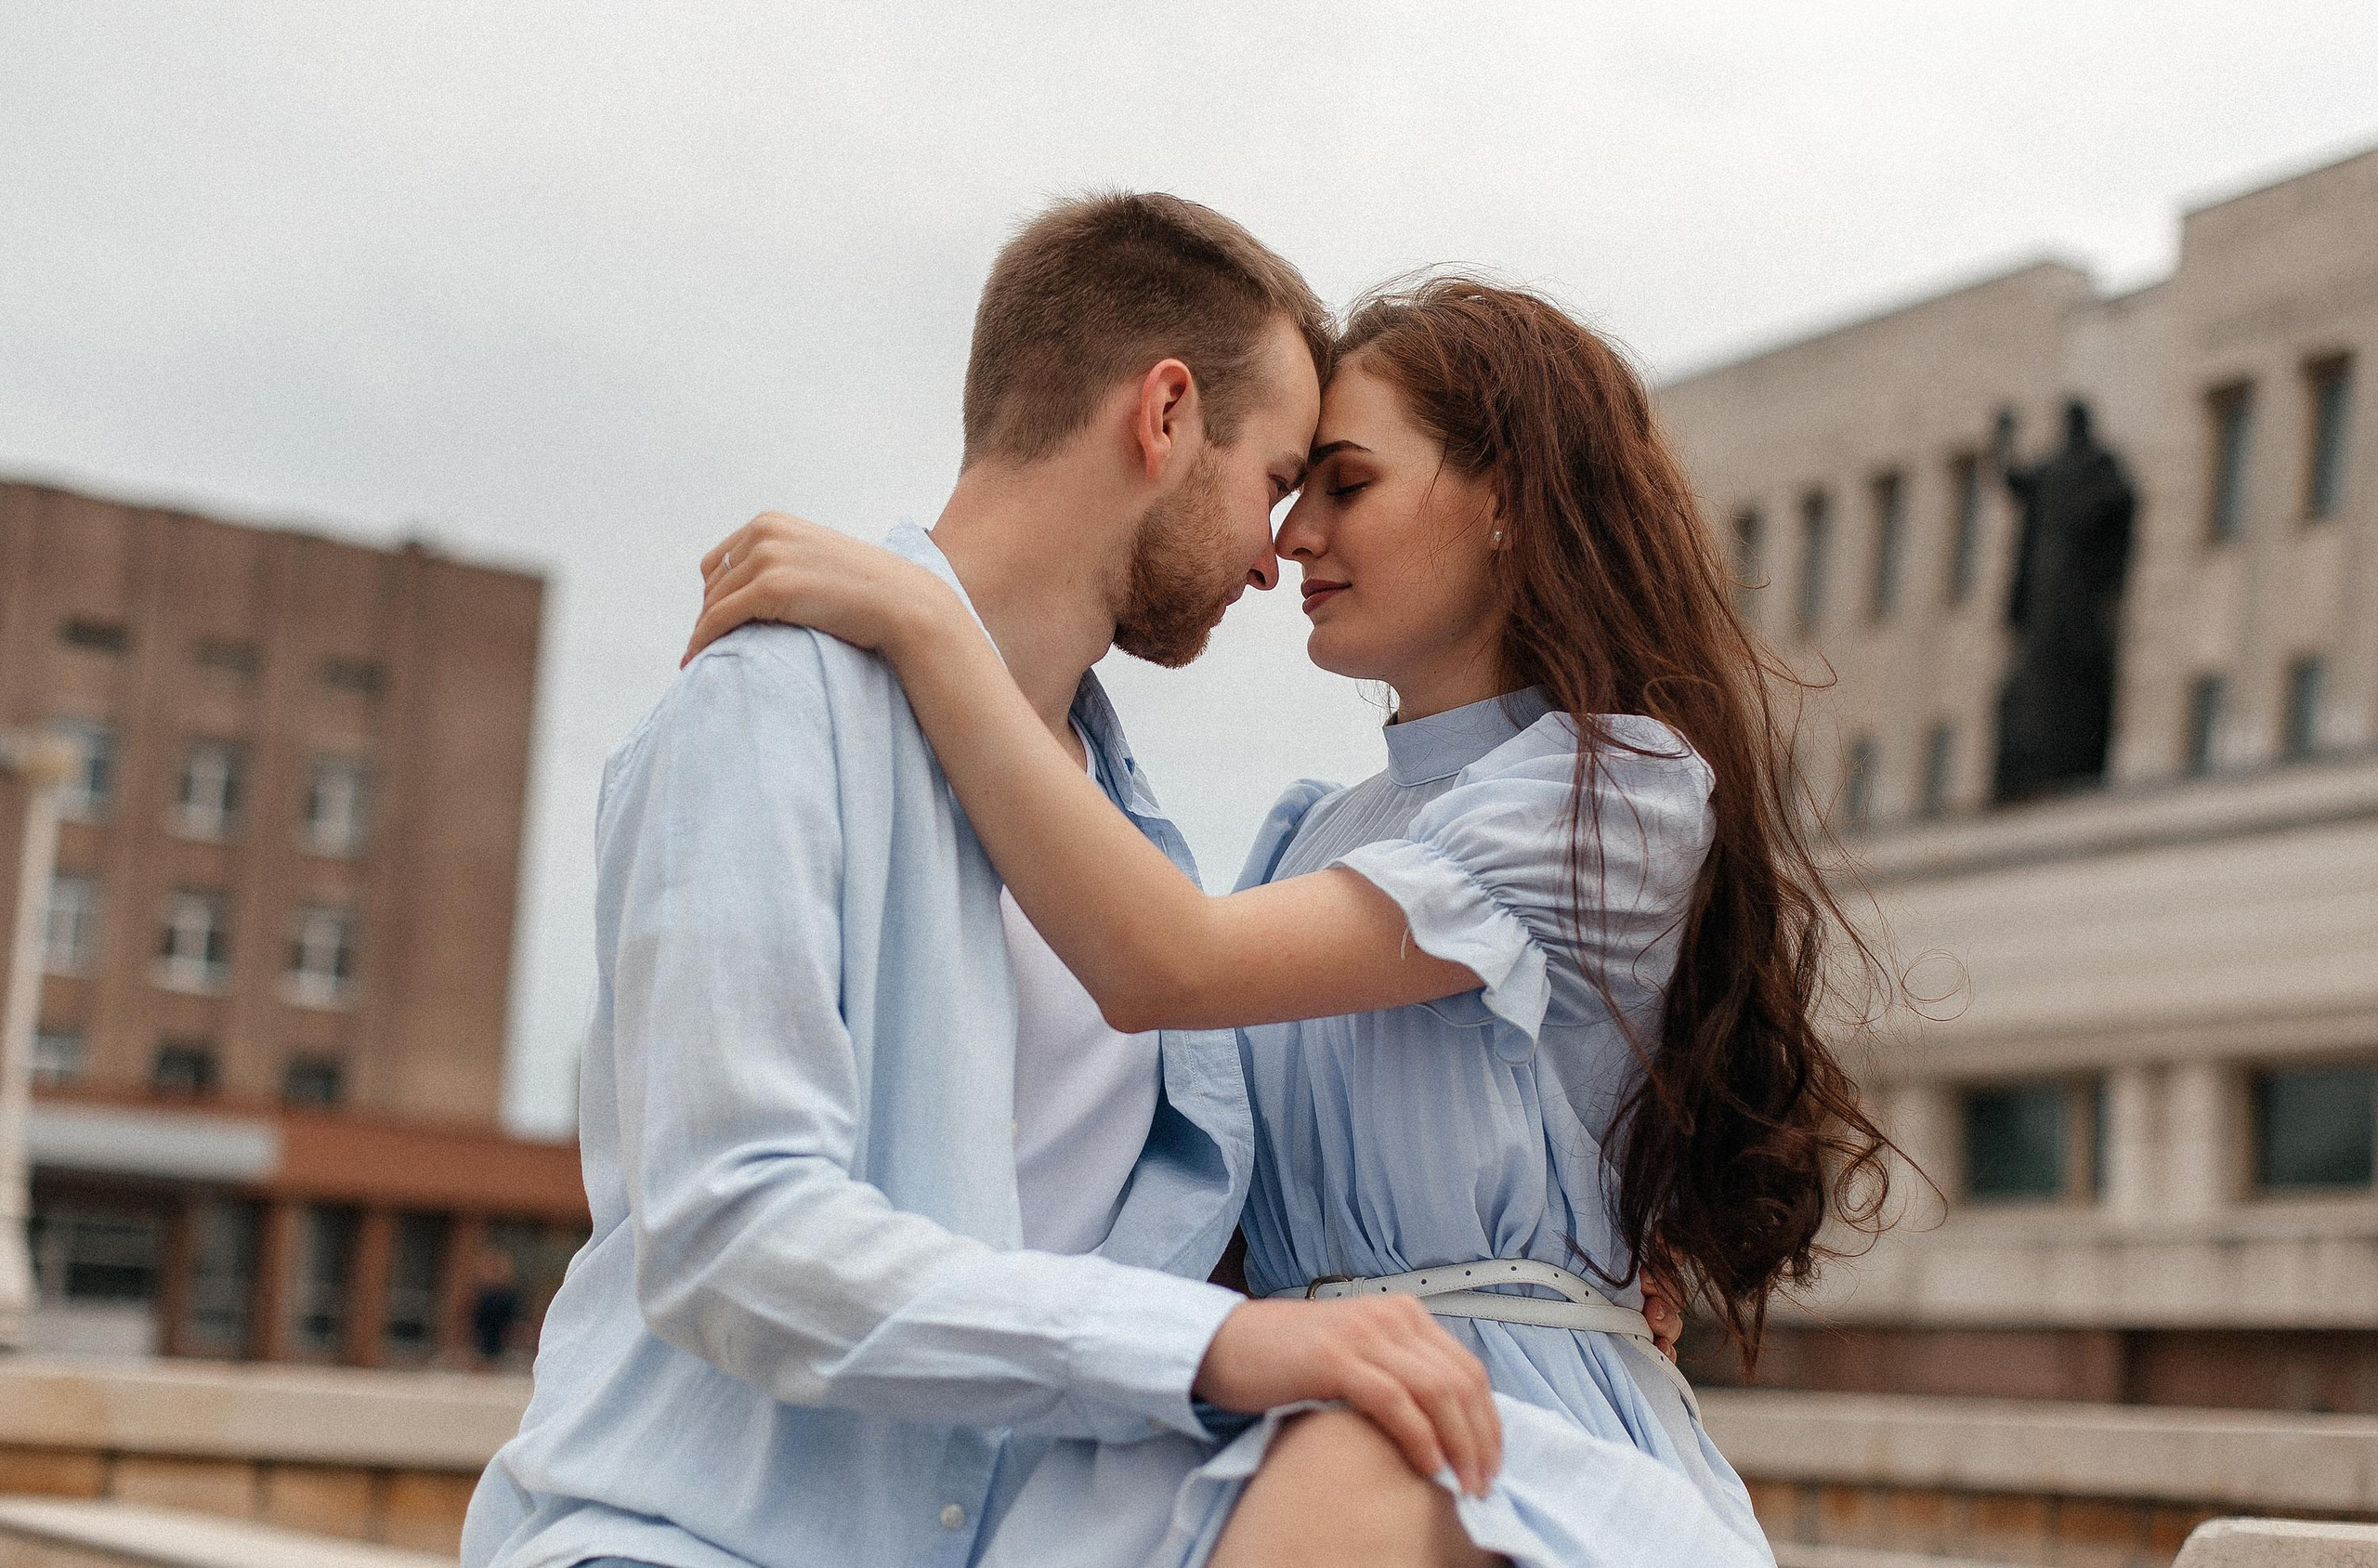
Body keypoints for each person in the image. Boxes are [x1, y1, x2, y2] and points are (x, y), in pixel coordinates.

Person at [686, 277, 1896, 1567]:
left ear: (1511, 503)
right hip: (1286, 1421)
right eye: (1293, 487)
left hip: (1496, 1441)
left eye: (1347, 484)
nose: (1292, 538)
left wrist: (931, 621)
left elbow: (1161, 962)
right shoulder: (1307, 837)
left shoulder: (1615, 791)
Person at [460, 194, 1515, 1568]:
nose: (1277, 553)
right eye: (1271, 481)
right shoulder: (772, 705)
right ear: (1165, 414)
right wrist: (1219, 1345)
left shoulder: (1134, 861)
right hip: (680, 1541)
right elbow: (733, 1233)